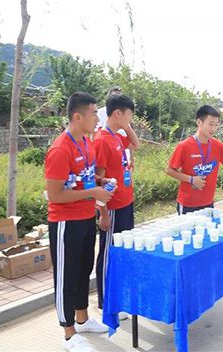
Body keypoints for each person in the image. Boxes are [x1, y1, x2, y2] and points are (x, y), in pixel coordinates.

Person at [45, 92, 114, 352]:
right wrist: (92, 193)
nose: (97, 118)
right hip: (66, 222)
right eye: (94, 113)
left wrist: (100, 183)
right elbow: (55, 195)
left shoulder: (86, 142)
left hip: (86, 217)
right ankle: (68, 333)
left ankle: (82, 319)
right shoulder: (60, 149)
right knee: (66, 276)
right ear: (77, 116)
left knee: (84, 270)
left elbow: (83, 178)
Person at [93, 94, 140, 316]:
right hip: (111, 207)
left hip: (125, 203)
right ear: (117, 113)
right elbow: (98, 180)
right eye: (129, 114)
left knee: (122, 252)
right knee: (108, 254)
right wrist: (103, 213)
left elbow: (136, 144)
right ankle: (106, 304)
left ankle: (119, 299)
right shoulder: (102, 140)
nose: (131, 119)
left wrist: (126, 126)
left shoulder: (116, 137)